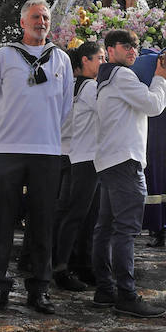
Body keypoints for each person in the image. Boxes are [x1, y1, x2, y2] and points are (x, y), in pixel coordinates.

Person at [0, 0, 74, 315]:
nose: (41, 22)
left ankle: (39, 289)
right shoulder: (4, 56)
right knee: (2, 221)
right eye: (35, 17)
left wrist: (46, 135)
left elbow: (65, 108)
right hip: (8, 150)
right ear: (22, 22)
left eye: (46, 17)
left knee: (43, 223)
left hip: (46, 152)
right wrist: (1, 138)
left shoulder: (61, 59)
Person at [92, 30, 166, 316]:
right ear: (110, 49)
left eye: (135, 47)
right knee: (125, 229)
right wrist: (162, 76)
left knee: (105, 228)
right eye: (125, 45)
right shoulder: (122, 76)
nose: (132, 50)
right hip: (125, 159)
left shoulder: (104, 79)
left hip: (110, 159)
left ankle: (105, 289)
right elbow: (152, 105)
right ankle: (126, 295)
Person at [54, 41, 104, 290]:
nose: (103, 63)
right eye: (100, 58)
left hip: (84, 156)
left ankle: (84, 265)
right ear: (85, 60)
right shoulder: (91, 87)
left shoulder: (77, 86)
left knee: (88, 217)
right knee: (76, 216)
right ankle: (61, 268)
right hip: (85, 158)